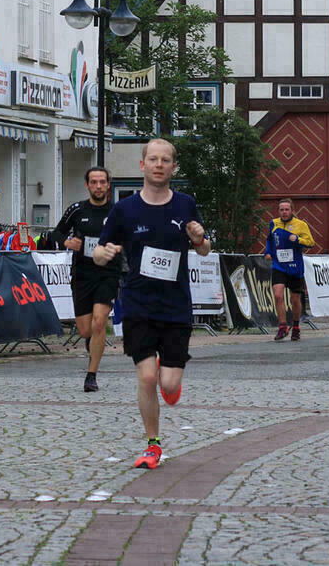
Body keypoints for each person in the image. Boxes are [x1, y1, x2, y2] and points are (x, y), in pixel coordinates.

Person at [93, 138, 209, 470]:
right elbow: (99, 252)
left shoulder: (185, 204)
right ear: (142, 165)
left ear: (173, 167)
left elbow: (204, 249)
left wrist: (199, 238)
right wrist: (105, 253)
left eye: (165, 160)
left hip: (175, 306)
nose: (159, 165)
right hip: (138, 305)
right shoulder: (125, 209)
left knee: (168, 384)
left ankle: (170, 383)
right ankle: (152, 445)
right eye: (153, 159)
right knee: (146, 378)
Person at [54, 167, 117, 393]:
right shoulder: (77, 210)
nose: (98, 186)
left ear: (108, 185)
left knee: (100, 321)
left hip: (108, 274)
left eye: (102, 182)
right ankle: (91, 340)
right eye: (94, 182)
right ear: (87, 185)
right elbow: (56, 233)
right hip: (82, 275)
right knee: (84, 330)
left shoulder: (117, 211)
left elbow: (130, 236)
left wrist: (119, 247)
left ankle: (91, 376)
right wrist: (67, 242)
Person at [265, 199, 313, 342]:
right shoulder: (274, 223)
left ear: (292, 210)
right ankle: (282, 326)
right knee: (278, 295)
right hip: (279, 265)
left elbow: (310, 242)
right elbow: (270, 239)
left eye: (287, 209)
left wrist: (297, 239)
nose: (284, 212)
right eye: (282, 210)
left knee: (295, 299)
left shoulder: (301, 225)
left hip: (295, 267)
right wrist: (268, 252)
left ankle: (296, 326)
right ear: (278, 211)